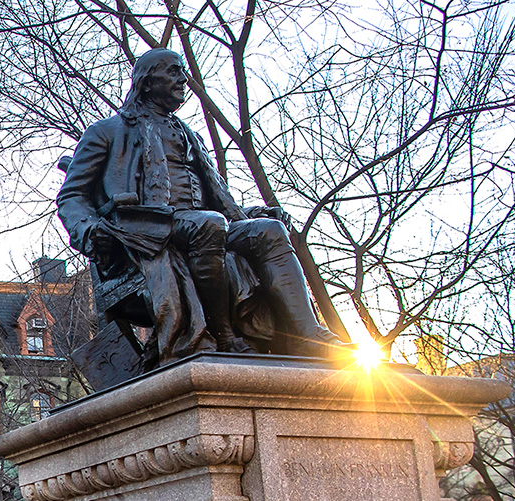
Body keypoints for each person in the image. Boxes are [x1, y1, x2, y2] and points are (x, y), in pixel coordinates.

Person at [57, 48, 349, 364]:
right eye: (173, 71)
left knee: (270, 230)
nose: (183, 78)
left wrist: (250, 214)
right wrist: (90, 230)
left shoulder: (188, 134)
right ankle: (225, 337)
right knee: (209, 224)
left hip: (206, 222)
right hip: (147, 227)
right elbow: (72, 196)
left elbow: (215, 199)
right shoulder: (107, 132)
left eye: (183, 71)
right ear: (146, 81)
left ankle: (306, 336)